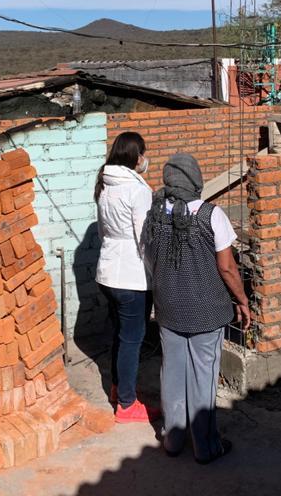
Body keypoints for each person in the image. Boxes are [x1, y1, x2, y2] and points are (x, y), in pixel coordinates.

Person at [144, 153, 251, 463]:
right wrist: (242, 300)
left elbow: (149, 259)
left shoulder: (155, 214)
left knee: (173, 374)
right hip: (206, 310)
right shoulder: (210, 215)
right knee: (203, 378)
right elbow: (227, 268)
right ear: (195, 180)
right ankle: (206, 446)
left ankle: (173, 439)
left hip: (168, 307)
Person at [94, 131, 160, 423]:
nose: (145, 159)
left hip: (107, 271)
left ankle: (118, 389)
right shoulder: (137, 190)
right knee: (133, 340)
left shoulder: (105, 185)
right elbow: (145, 238)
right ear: (135, 156)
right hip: (131, 276)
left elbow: (102, 231)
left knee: (120, 335)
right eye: (143, 153)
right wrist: (156, 272)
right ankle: (127, 404)